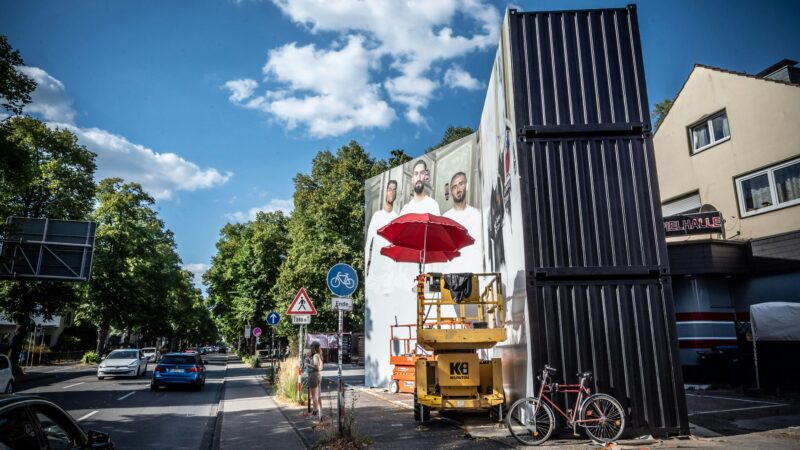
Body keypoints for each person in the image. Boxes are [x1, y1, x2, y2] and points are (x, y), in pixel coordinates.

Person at [442, 171, 483, 273]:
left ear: (467, 186)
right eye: (454, 187)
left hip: (474, 274)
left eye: (461, 184)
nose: (458, 189)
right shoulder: (445, 219)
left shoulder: (477, 215)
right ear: (451, 192)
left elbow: (482, 248)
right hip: (452, 275)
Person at [365, 179, 399, 279]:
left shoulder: (397, 218)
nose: (392, 192)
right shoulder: (377, 216)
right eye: (389, 189)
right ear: (385, 192)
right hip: (375, 269)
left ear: (396, 193)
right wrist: (366, 267)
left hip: (389, 271)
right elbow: (368, 245)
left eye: (394, 190)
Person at [305, 341, 323, 420]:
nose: (310, 348)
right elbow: (320, 368)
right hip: (318, 375)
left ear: (314, 348)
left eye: (311, 347)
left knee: (314, 396)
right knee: (316, 395)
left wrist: (308, 364)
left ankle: (315, 413)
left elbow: (317, 367)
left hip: (314, 375)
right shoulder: (319, 355)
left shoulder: (315, 356)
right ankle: (318, 412)